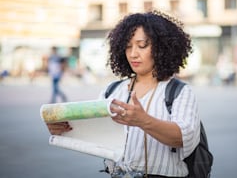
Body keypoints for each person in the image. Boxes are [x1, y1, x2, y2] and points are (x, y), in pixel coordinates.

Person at [47, 10, 201, 177]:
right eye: (128, 46)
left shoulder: (180, 92)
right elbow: (96, 133)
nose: (133, 53)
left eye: (142, 45)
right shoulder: (112, 90)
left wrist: (144, 121)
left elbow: (183, 138)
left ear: (162, 47)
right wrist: (65, 130)